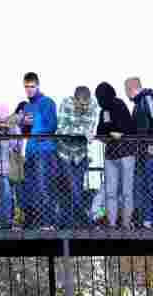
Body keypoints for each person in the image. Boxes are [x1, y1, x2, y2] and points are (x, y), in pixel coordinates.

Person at [14, 72, 59, 231]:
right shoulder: (26, 106)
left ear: (38, 86)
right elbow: (25, 132)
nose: (29, 90)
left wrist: (38, 132)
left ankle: (49, 222)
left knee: (44, 187)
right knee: (31, 189)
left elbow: (52, 125)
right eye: (26, 87)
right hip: (31, 152)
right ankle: (36, 221)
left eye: (32, 86)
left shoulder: (47, 102)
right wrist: (23, 124)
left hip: (45, 151)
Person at [126, 77, 153, 229]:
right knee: (143, 185)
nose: (126, 94)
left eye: (126, 90)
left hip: (150, 151)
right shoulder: (139, 102)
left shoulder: (147, 98)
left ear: (131, 88)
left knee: (152, 184)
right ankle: (148, 218)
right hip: (142, 151)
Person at [94, 81, 136, 229]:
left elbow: (127, 128)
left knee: (126, 192)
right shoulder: (103, 111)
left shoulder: (119, 104)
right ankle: (111, 224)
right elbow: (101, 132)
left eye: (101, 97)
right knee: (110, 192)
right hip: (110, 155)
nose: (100, 100)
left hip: (126, 153)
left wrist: (113, 132)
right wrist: (111, 133)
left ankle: (126, 223)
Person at [56, 86, 98, 228]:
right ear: (75, 100)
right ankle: (80, 220)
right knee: (70, 187)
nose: (84, 107)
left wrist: (79, 131)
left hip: (80, 153)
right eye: (81, 104)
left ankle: (72, 221)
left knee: (77, 188)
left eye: (86, 104)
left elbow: (90, 129)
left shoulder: (92, 104)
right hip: (65, 153)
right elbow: (61, 129)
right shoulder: (66, 103)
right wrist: (82, 131)